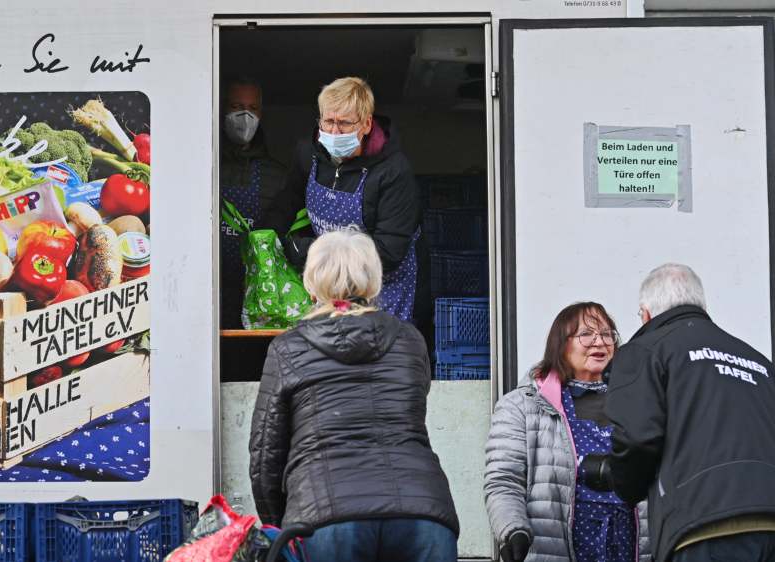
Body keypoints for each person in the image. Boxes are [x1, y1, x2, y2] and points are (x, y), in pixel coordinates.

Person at [248, 229, 459, 562]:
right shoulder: (410, 340)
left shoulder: (288, 347)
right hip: (421, 512)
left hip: (328, 516)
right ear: (373, 279)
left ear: (311, 280)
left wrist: (280, 526)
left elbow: (266, 455)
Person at [596, 264, 775, 561]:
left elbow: (637, 438)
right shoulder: (758, 362)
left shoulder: (645, 349)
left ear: (646, 313)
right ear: (700, 304)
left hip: (703, 524)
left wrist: (624, 484)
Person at [484, 302, 649, 562]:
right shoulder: (523, 405)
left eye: (607, 335)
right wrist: (513, 529)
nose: (600, 342)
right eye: (587, 334)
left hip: (630, 547)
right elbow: (504, 480)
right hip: (556, 550)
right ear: (561, 344)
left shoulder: (639, 403)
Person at [272, 76, 421, 322]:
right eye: (328, 121)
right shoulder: (309, 154)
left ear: (366, 124)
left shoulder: (393, 171)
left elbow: (390, 250)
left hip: (382, 290)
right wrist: (267, 236)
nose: (334, 131)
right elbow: (287, 200)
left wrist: (311, 252)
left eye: (345, 124)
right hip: (327, 286)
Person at [219, 77, 288, 328]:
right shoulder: (205, 165)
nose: (245, 115)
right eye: (237, 107)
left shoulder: (278, 175)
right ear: (222, 108)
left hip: (259, 291)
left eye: (253, 108)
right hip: (209, 289)